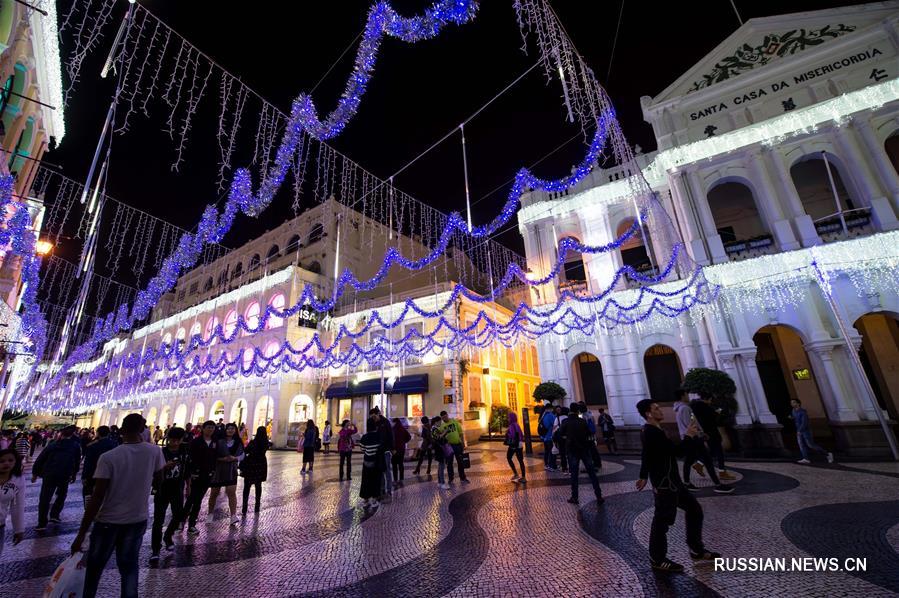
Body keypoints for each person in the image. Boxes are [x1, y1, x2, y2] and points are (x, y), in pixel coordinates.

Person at [72, 414, 165, 598]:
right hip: (137, 518)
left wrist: (81, 533)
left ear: (121, 430)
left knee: (94, 568)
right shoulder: (154, 452)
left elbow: (98, 497)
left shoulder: (109, 457)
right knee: (130, 568)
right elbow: (159, 480)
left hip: (107, 519)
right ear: (143, 429)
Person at [635, 399, 720, 573]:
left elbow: (647, 454)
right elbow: (675, 452)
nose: (661, 410)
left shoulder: (654, 430)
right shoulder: (652, 432)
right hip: (665, 483)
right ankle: (657, 559)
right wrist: (688, 436)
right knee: (662, 520)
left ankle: (696, 549)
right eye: (657, 408)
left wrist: (643, 476)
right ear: (649, 414)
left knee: (694, 510)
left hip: (673, 482)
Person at [674, 391, 732, 493]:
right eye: (686, 394)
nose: (688, 396)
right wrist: (700, 433)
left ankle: (687, 483)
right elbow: (691, 424)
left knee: (689, 461)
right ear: (682, 396)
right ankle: (718, 485)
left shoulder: (680, 408)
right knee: (707, 461)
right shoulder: (685, 408)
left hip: (689, 438)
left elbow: (692, 421)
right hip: (694, 438)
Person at [32, 425, 81, 530]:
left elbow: (41, 458)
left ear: (61, 434)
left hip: (50, 474)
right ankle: (54, 514)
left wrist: (35, 473)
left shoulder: (53, 445)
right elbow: (77, 462)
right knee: (61, 495)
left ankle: (42, 522)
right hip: (65, 474)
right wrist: (74, 474)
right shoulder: (75, 446)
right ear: (72, 435)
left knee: (45, 498)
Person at [150, 427, 187, 562]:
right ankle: (155, 549)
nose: (175, 443)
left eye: (178, 440)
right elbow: (153, 470)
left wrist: (188, 485)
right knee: (158, 520)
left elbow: (186, 470)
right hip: (162, 489)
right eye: (172, 440)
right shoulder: (161, 452)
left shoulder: (184, 453)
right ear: (168, 439)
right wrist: (165, 466)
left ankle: (168, 536)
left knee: (179, 515)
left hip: (177, 488)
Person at [562, 403, 603, 505]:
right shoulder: (582, 422)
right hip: (584, 449)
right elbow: (589, 433)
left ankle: (574, 497)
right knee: (592, 474)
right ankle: (599, 495)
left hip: (572, 450)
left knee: (574, 475)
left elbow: (560, 434)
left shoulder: (566, 422)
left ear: (570, 411)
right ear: (578, 411)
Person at [690, 394, 736, 481]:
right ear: (708, 399)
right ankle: (722, 472)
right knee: (719, 452)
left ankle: (699, 464)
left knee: (712, 451)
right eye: (711, 400)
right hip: (712, 432)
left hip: (706, 432)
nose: (711, 402)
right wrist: (720, 409)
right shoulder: (705, 407)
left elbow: (695, 418)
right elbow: (714, 416)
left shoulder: (696, 407)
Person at [208, 423, 244, 526]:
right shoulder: (219, 441)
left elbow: (242, 454)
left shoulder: (238, 442)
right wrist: (221, 459)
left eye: (233, 428)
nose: (230, 430)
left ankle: (233, 515)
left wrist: (235, 458)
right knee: (214, 492)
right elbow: (213, 454)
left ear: (235, 430)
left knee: (231, 492)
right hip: (218, 469)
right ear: (225, 430)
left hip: (231, 469)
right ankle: (210, 513)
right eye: (229, 428)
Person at [185, 421, 218, 534]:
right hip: (196, 474)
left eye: (212, 428)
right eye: (208, 427)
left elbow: (215, 458)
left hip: (207, 475)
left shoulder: (214, 442)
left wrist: (213, 471)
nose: (210, 430)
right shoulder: (196, 442)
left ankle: (191, 524)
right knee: (191, 499)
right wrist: (191, 473)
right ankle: (180, 521)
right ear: (203, 429)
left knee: (198, 500)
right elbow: (190, 458)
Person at [790, 399, 834, 464]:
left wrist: (800, 430)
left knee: (811, 445)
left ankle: (827, 454)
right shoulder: (793, 411)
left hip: (805, 431)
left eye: (793, 402)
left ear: (798, 403)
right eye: (791, 403)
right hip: (799, 430)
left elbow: (804, 422)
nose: (792, 404)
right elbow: (795, 418)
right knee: (801, 445)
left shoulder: (803, 412)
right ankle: (806, 458)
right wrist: (791, 417)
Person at [82, 426, 117, 504]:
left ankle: (88, 508)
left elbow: (88, 462)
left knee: (88, 492)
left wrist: (84, 476)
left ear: (98, 433)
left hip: (93, 472)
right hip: (108, 472)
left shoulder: (92, 445)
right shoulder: (114, 445)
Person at [0, 448, 25, 552]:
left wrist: (18, 529)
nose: (7, 463)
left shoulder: (18, 479)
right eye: (1, 461)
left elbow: (18, 506)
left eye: (10, 460)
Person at [240, 427, 269, 515]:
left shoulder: (253, 442)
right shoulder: (265, 443)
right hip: (261, 464)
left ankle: (244, 507)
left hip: (251, 464)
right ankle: (257, 506)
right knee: (258, 485)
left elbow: (246, 450)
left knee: (247, 486)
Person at [436, 411, 468, 484]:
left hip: (457, 444)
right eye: (442, 418)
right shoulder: (442, 426)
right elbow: (440, 436)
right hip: (448, 447)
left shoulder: (454, 422)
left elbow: (460, 433)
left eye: (445, 416)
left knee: (460, 462)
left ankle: (463, 477)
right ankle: (451, 478)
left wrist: (463, 443)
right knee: (449, 463)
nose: (444, 418)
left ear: (447, 415)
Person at [358, 418, 383, 508]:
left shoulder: (365, 437)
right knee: (375, 480)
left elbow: (362, 448)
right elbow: (381, 447)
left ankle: (366, 500)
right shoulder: (379, 435)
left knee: (365, 481)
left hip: (366, 461)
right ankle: (374, 499)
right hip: (376, 461)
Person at [505, 411, 526, 483]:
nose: (508, 419)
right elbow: (521, 435)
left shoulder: (511, 426)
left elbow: (512, 435)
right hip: (519, 444)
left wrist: (507, 434)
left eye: (508, 417)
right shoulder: (517, 425)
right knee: (521, 461)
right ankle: (523, 477)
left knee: (508, 457)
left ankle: (516, 474)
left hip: (514, 445)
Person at [391, 418, 411, 488]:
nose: (392, 423)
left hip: (394, 450)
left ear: (395, 422)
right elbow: (409, 437)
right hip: (402, 449)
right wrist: (403, 442)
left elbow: (391, 440)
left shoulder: (392, 429)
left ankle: (395, 480)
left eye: (393, 422)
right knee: (400, 464)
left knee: (394, 465)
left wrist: (392, 448)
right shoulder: (402, 429)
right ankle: (401, 479)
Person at [539, 403, 557, 469]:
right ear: (550, 408)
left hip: (544, 437)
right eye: (552, 408)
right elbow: (555, 423)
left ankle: (546, 465)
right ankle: (551, 465)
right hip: (550, 436)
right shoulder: (550, 415)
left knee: (546, 451)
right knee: (552, 451)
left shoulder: (543, 415)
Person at [552, 405, 569, 473]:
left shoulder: (557, 419)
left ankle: (564, 467)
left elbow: (554, 429)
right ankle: (571, 467)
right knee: (568, 453)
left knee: (562, 454)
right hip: (567, 437)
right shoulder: (567, 417)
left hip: (561, 438)